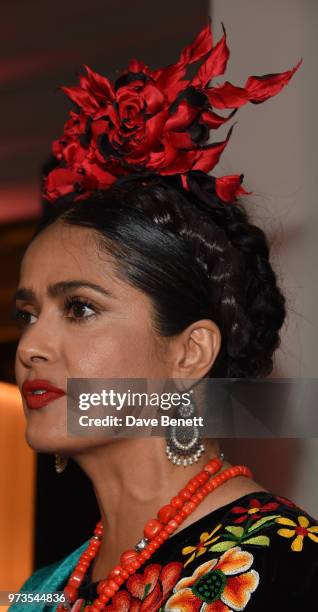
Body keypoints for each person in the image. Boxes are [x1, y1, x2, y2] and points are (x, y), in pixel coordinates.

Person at [10, 20, 317, 612]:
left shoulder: (285, 567)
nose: (30, 348)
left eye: (79, 308)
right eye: (27, 314)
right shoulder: (39, 594)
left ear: (190, 352)